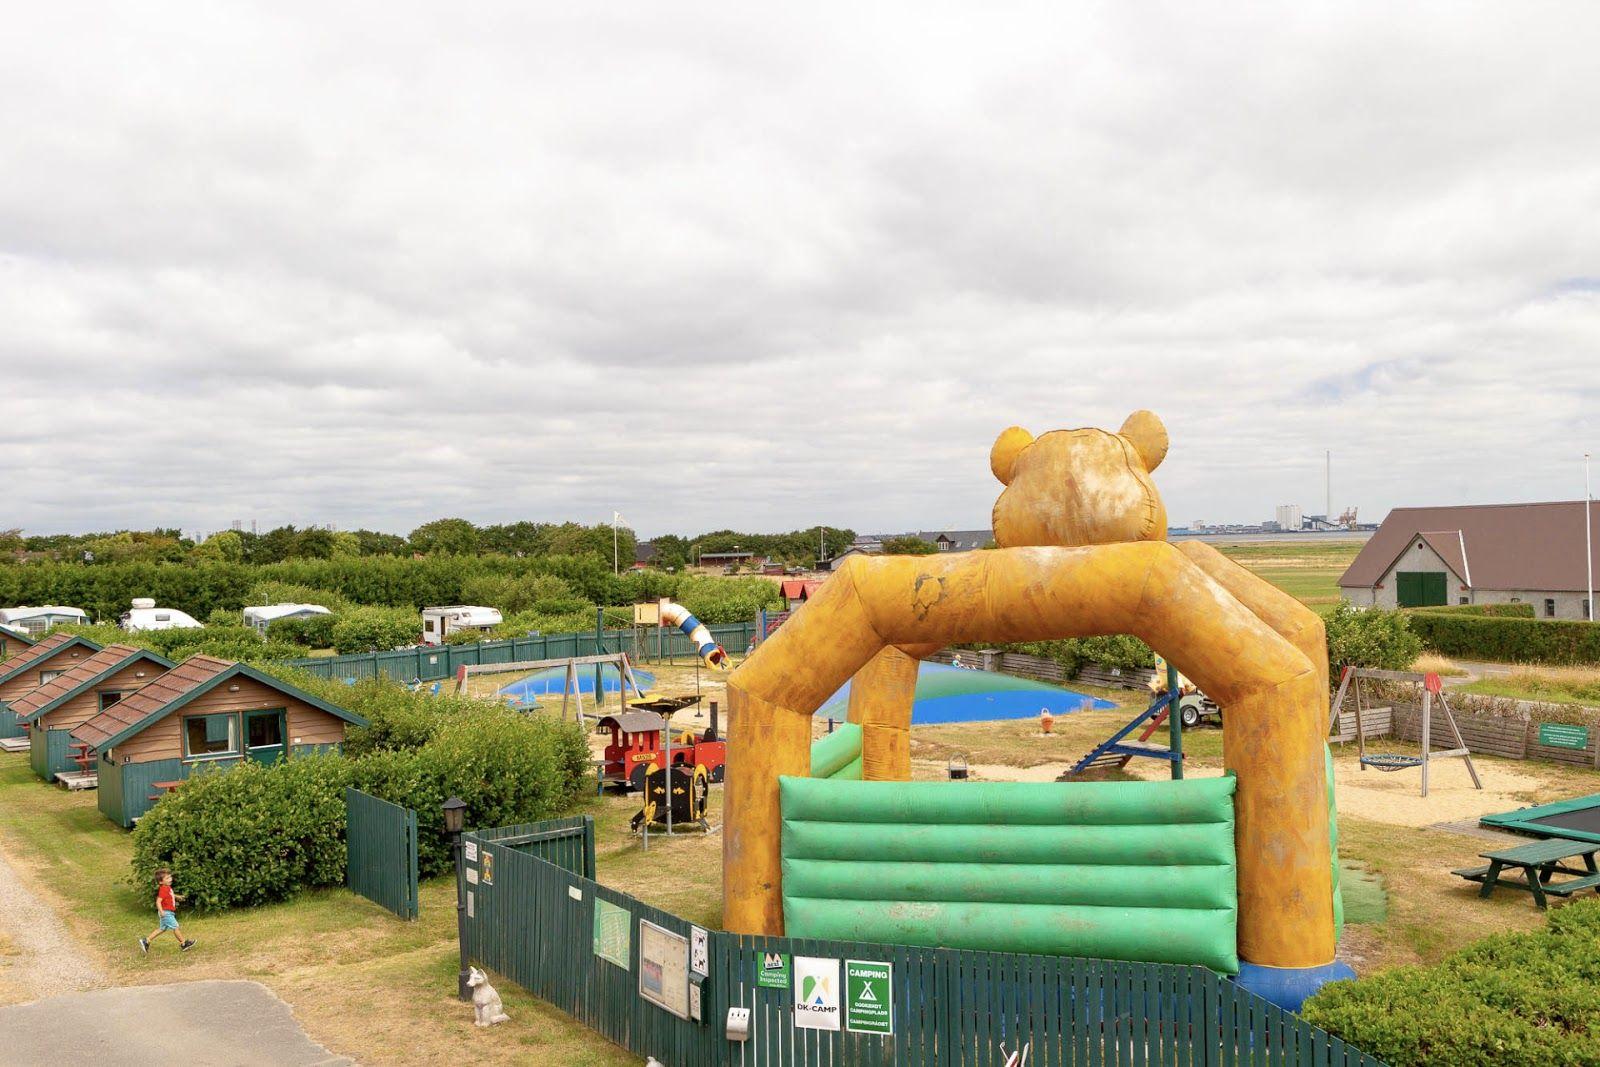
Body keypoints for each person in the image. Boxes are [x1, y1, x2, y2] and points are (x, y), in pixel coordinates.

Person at [139, 869, 194, 954]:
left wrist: (177, 896)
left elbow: (170, 894)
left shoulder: (167, 888)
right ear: (161, 882)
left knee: (162, 929)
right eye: (167, 878)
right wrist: (161, 911)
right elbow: (158, 901)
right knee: (176, 927)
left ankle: (146, 941)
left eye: (170, 877)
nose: (170, 879)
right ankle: (184, 944)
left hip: (168, 912)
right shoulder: (163, 889)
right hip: (166, 912)